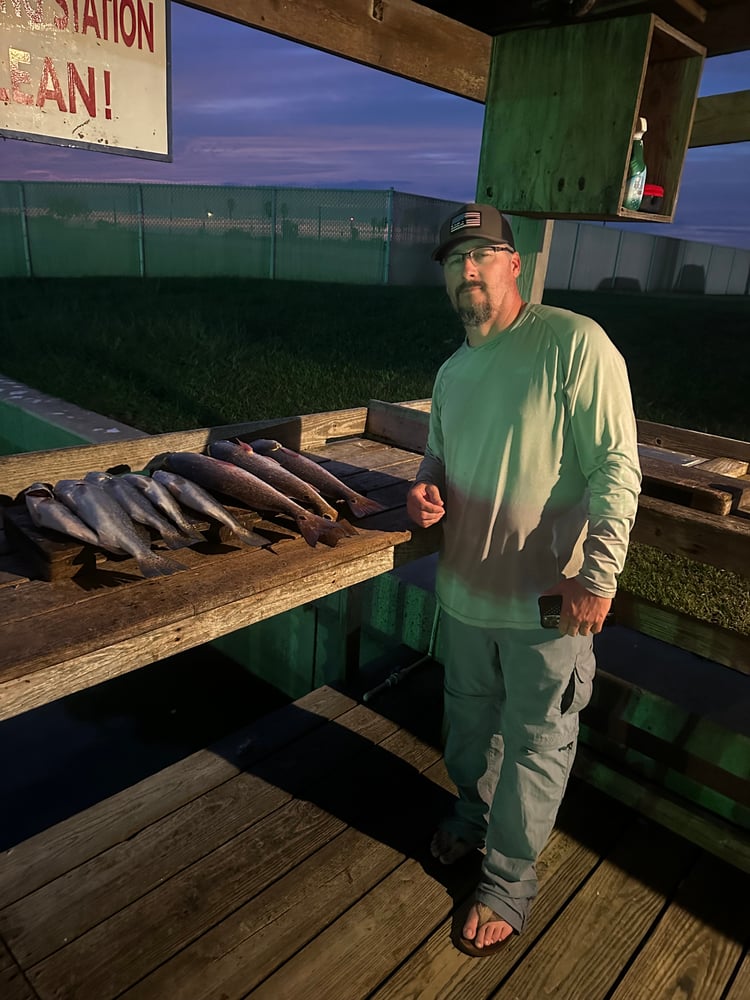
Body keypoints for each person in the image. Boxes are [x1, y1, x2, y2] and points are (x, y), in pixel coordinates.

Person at [407, 202, 641, 956]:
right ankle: (472, 818)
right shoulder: (452, 370)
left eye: (481, 255)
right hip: (467, 594)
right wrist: (422, 487)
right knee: (471, 727)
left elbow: (615, 466)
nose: (467, 270)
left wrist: (599, 574)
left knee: (539, 740)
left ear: (514, 263)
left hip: (551, 601)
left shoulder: (575, 344)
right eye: (454, 260)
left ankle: (508, 881)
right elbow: (436, 457)